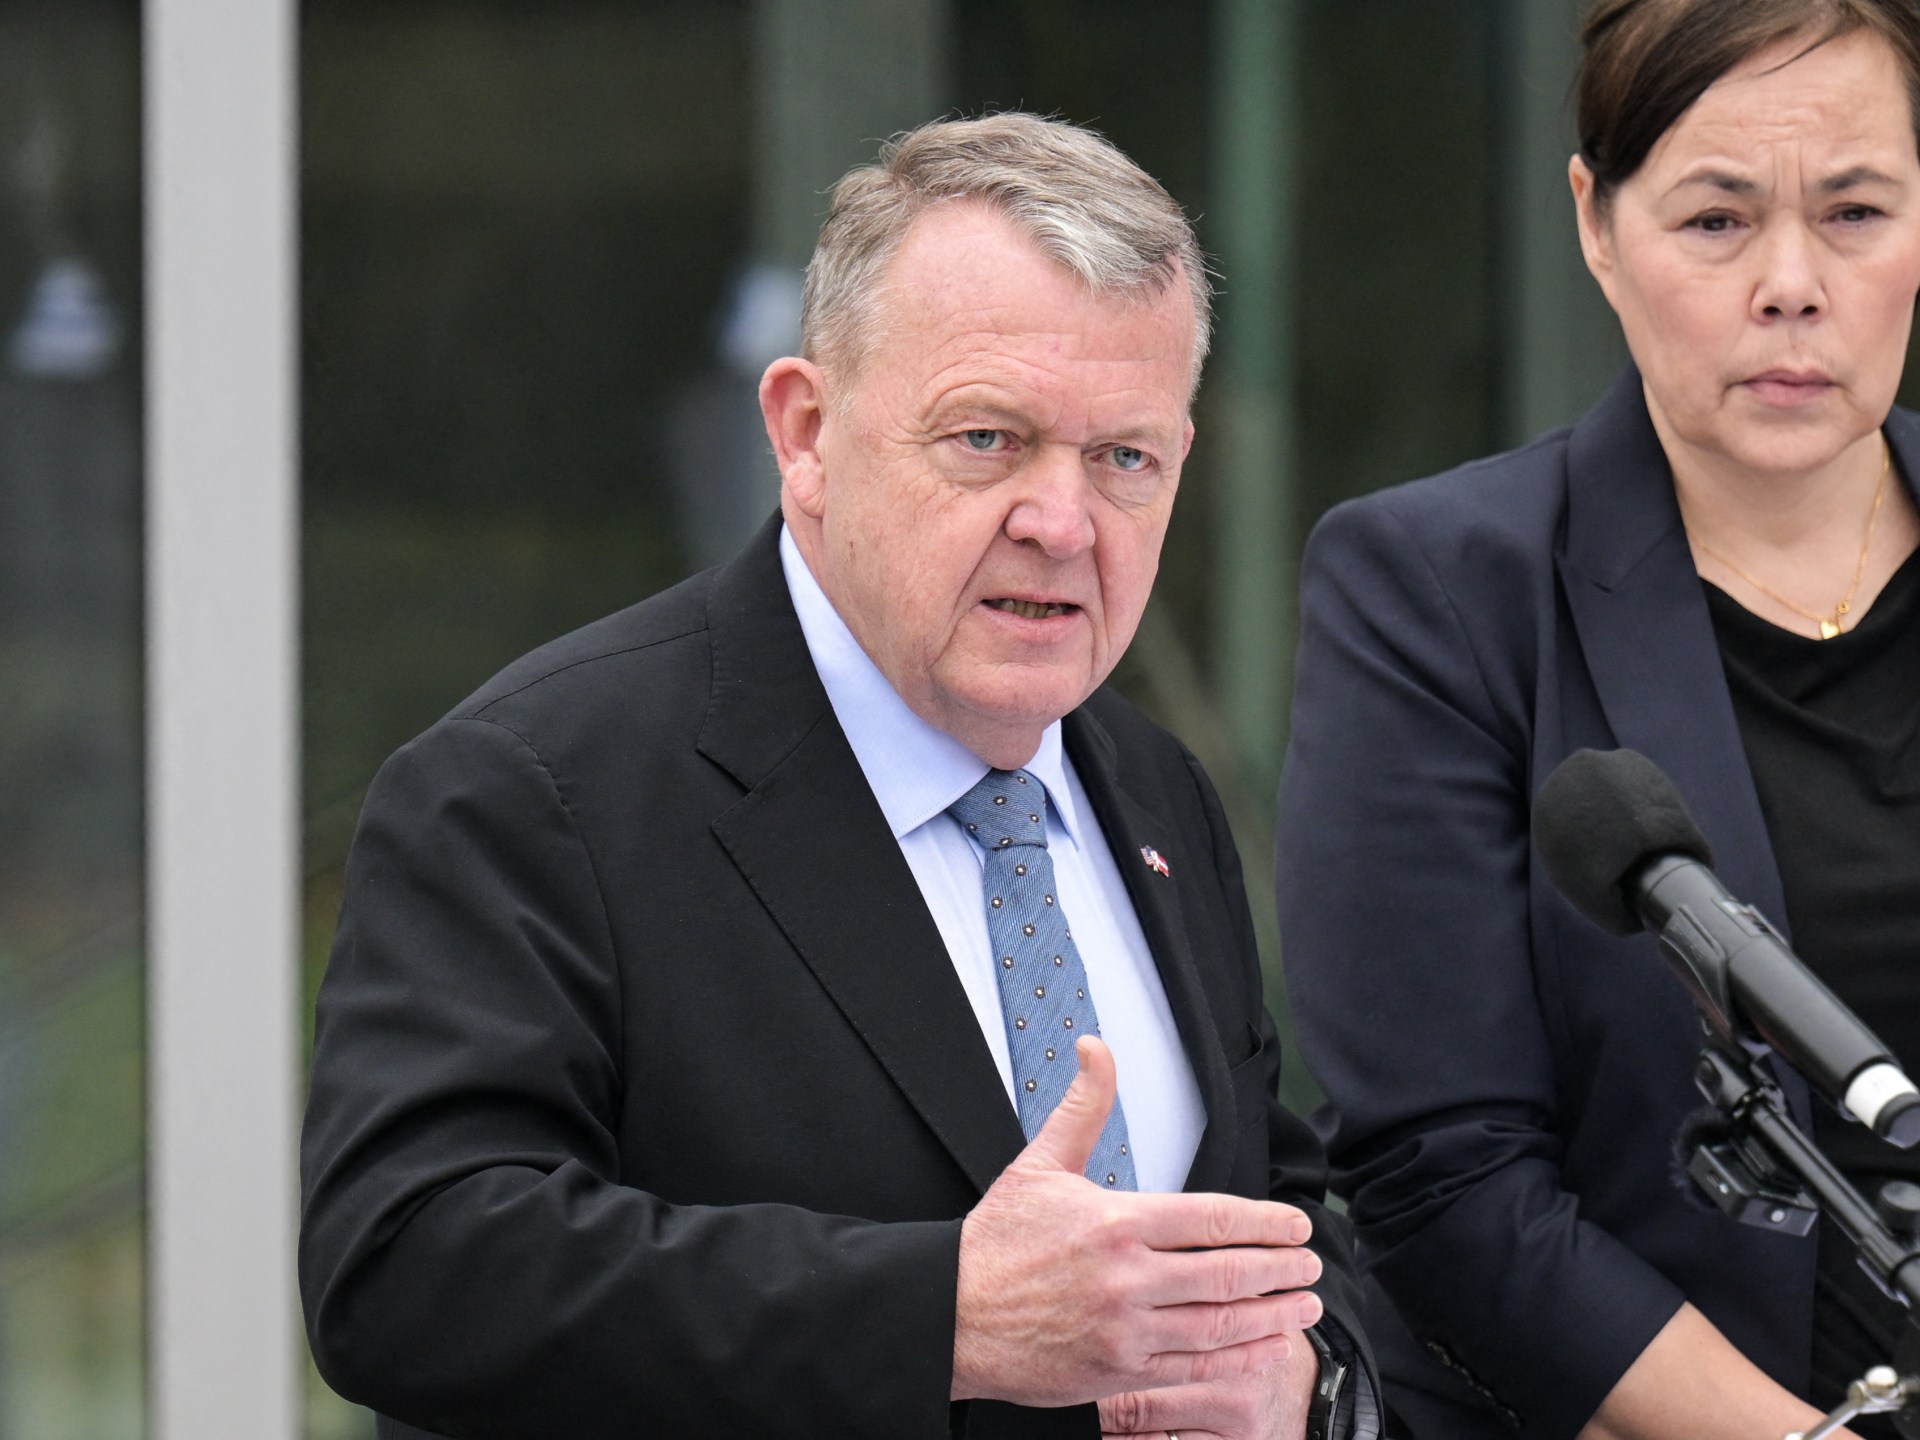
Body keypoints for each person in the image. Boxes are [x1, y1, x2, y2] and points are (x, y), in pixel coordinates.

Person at [302, 113, 1375, 1440]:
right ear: (806, 432)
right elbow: (409, 1266)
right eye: (987, 438)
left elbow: (1275, 1199)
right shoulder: (533, 791)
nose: (1062, 523)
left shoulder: (1157, 793)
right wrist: (942, 1318)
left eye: (1124, 458)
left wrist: (1305, 1376)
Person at [1277, 3, 1920, 1438]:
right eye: (1717, 220)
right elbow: (1446, 1179)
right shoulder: (1435, 590)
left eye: (1857, 211)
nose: (1792, 285)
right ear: (1596, 223)